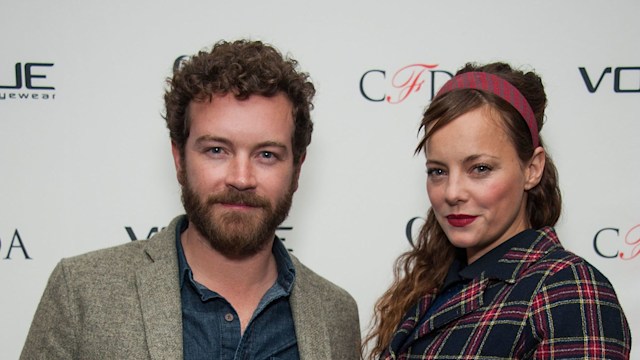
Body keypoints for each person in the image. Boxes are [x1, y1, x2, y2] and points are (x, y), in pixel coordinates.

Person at [21, 40, 361, 359]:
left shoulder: (335, 314)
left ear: (297, 169)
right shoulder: (83, 291)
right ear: (179, 160)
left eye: (267, 155)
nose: (241, 178)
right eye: (216, 150)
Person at [365, 62, 631, 359]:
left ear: (532, 168)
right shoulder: (430, 288)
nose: (452, 192)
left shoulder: (566, 289)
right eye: (438, 171)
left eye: (480, 168)